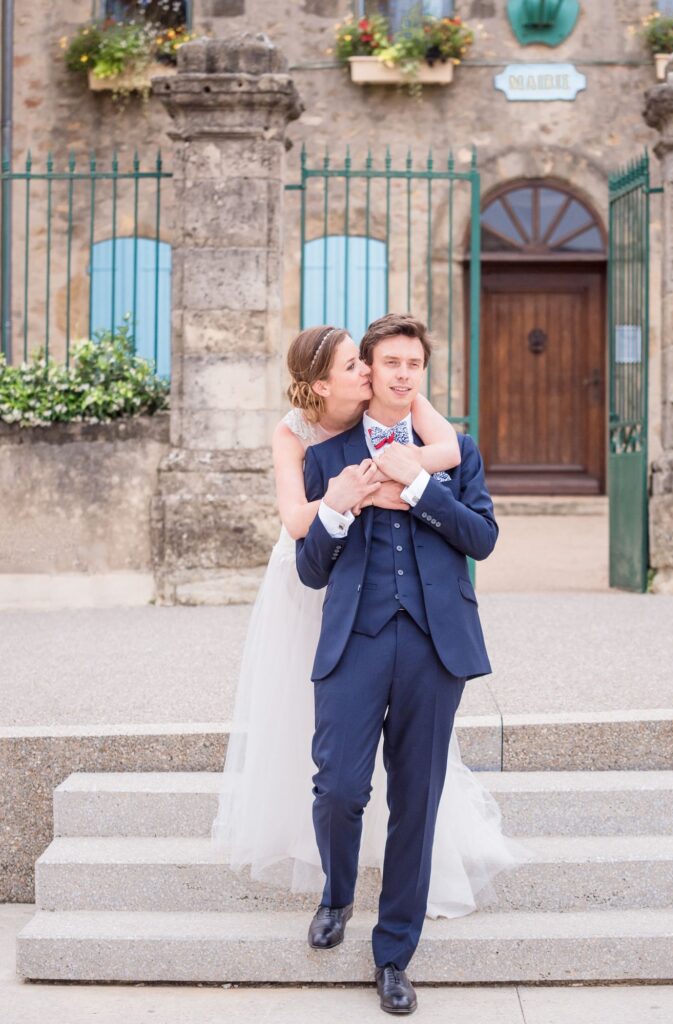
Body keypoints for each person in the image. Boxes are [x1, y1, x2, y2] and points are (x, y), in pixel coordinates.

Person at [210, 321, 533, 1006]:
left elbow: (482, 537)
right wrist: (338, 509)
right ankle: (337, 891)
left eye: (414, 363)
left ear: (423, 373)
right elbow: (308, 565)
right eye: (388, 362)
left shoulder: (452, 452)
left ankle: (394, 956)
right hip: (354, 638)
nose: (401, 374)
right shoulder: (327, 454)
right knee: (339, 786)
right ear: (367, 374)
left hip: (432, 646)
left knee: (416, 799)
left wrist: (419, 488)